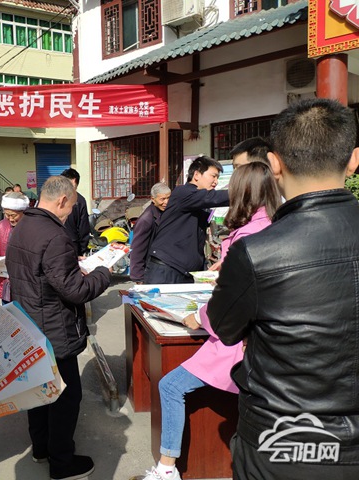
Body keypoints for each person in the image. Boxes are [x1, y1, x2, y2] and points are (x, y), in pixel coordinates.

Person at [208, 98, 359, 479]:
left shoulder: (256, 251)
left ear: (274, 164)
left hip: (282, 439)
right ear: (354, 160)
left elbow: (224, 327)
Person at [137, 162, 281, 480]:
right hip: (262, 336)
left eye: (227, 181)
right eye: (214, 176)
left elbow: (233, 300)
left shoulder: (247, 236)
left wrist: (200, 316)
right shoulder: (270, 224)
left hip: (237, 338)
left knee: (170, 385)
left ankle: (166, 469)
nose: (218, 185)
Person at [5, 175, 112, 480]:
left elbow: (43, 273)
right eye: (72, 206)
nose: (71, 213)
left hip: (30, 323)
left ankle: (41, 448)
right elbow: (76, 291)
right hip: (54, 328)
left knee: (39, 392)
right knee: (66, 396)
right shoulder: (55, 235)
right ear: (63, 200)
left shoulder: (24, 225)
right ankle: (62, 462)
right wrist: (103, 272)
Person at [144, 156, 229, 284]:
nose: (216, 182)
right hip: (166, 269)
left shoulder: (199, 201)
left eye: (218, 178)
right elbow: (214, 197)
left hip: (185, 272)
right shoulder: (183, 193)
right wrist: (247, 192)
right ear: (196, 175)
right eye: (213, 176)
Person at [130, 182, 171, 283]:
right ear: (153, 199)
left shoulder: (164, 212)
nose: (166, 202)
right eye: (162, 199)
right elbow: (137, 250)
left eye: (168, 198)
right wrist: (138, 277)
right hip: (151, 269)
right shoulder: (146, 220)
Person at [61, 168, 91, 256]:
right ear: (74, 181)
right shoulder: (80, 200)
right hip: (72, 245)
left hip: (54, 244)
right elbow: (83, 228)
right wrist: (82, 250)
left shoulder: (52, 197)